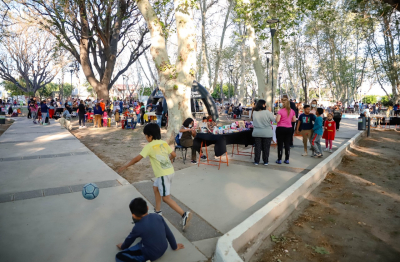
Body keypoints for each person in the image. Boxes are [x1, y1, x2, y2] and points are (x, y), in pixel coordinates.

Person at [118, 124, 193, 230]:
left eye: (146, 136)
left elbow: (137, 159)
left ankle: (184, 214)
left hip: (163, 175)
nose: (145, 137)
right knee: (155, 187)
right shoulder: (163, 143)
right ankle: (158, 211)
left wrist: (126, 165)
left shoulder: (149, 146)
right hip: (170, 172)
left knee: (166, 198)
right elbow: (174, 154)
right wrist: (169, 160)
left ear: (150, 136)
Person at [116, 197, 184, 262]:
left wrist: (123, 246)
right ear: (147, 208)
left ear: (133, 215)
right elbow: (169, 234)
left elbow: (129, 239)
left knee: (119, 256)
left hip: (150, 254)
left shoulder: (138, 227)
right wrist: (175, 246)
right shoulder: (157, 216)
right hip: (163, 248)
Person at [252, 99, 275, 166]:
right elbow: (273, 119)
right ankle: (265, 161)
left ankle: (256, 161)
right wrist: (270, 112)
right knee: (266, 148)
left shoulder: (254, 113)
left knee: (257, 148)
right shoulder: (267, 112)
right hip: (267, 133)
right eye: (265, 104)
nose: (266, 105)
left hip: (257, 132)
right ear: (263, 105)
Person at [275, 95, 296, 164]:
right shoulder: (292, 111)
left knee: (280, 144)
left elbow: (277, 120)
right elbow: (294, 120)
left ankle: (279, 159)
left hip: (280, 128)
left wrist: (276, 118)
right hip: (289, 128)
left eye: (280, 102)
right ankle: (287, 159)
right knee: (287, 144)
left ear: (283, 103)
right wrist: (288, 121)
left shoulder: (280, 111)